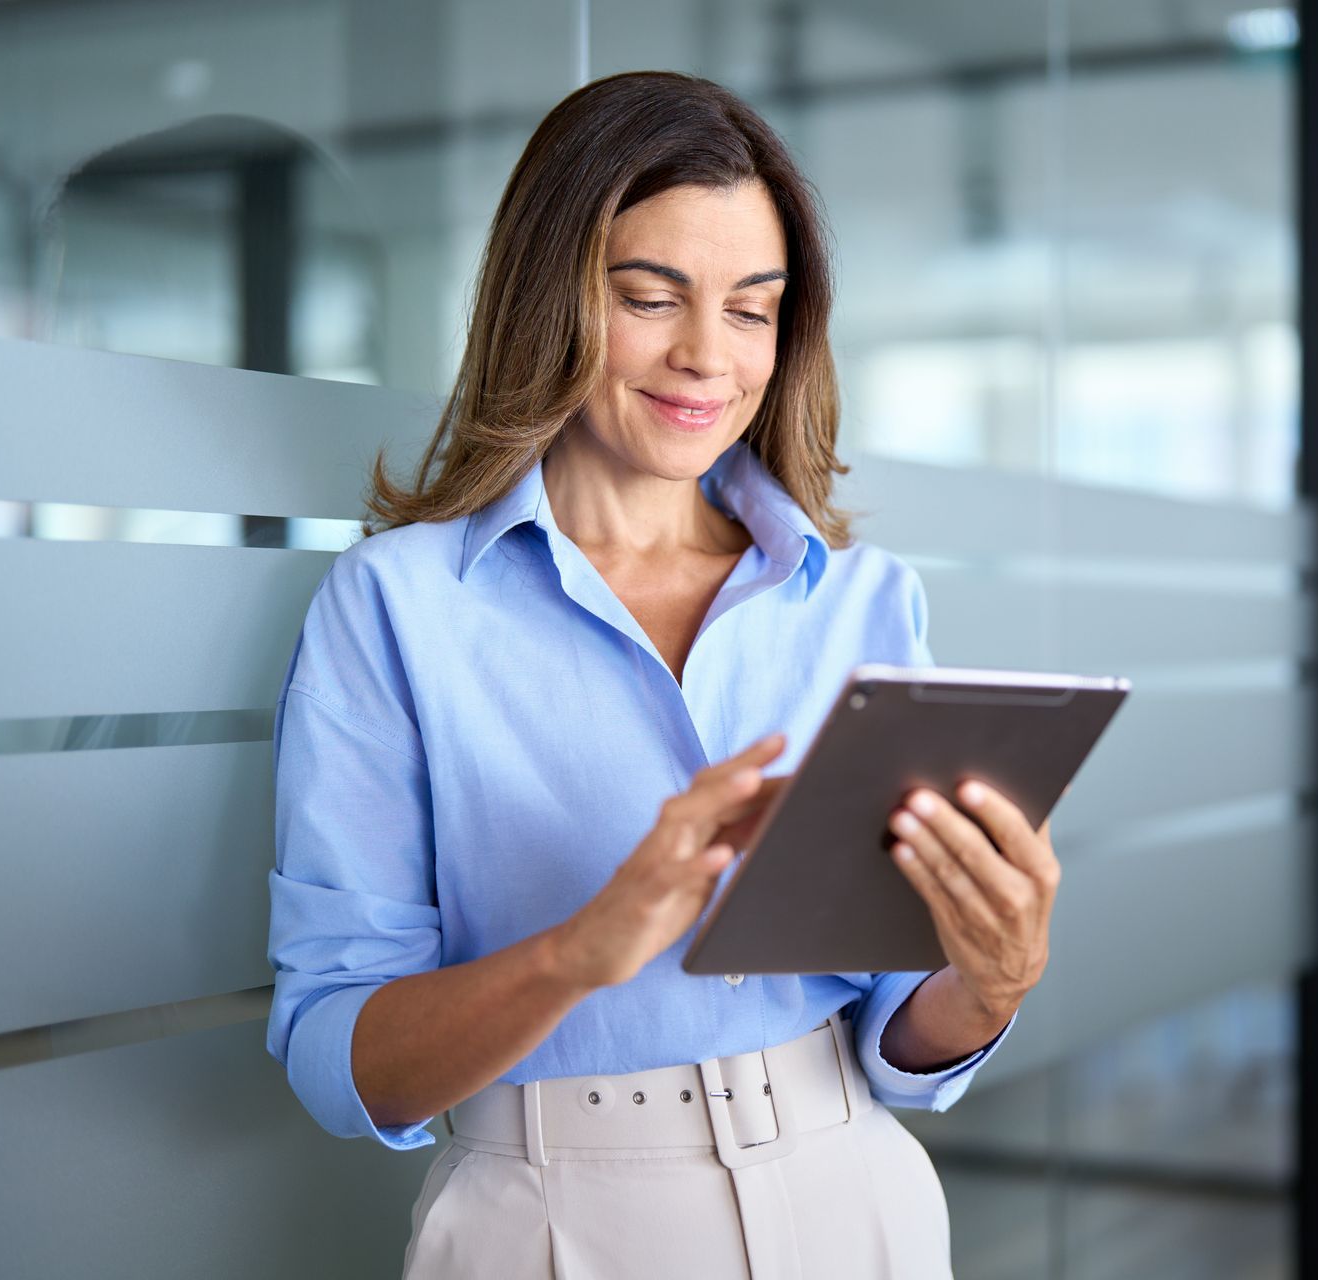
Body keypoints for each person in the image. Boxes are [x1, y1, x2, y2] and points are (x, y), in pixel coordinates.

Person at [264, 70, 1064, 1278]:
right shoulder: (398, 606)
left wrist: (989, 980)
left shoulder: (861, 599)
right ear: (551, 300)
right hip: (545, 1214)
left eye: (754, 309)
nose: (707, 355)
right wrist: (576, 953)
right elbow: (336, 1050)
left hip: (853, 1188)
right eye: (651, 296)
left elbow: (902, 1023)